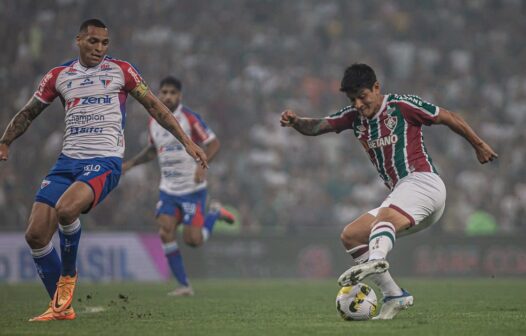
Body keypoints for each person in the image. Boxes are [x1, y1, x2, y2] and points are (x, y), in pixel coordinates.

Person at [0, 19, 207, 321]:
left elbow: (155, 107)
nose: (99, 48)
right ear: (79, 40)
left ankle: (68, 278)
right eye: (93, 41)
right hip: (66, 163)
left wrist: (187, 141)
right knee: (34, 235)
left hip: (105, 160)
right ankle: (61, 307)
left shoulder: (121, 71)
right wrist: (5, 141)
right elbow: (29, 112)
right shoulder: (59, 76)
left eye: (104, 43)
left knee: (66, 210)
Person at [280, 63, 497, 320]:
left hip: (424, 182)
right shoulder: (353, 117)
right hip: (406, 199)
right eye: (353, 99)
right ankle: (394, 294)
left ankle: (377, 257)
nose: (359, 104)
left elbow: (448, 116)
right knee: (351, 236)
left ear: (376, 88)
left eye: (362, 96)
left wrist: (479, 145)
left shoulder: (401, 106)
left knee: (382, 220)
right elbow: (318, 126)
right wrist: (296, 123)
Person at [123, 76, 235, 296]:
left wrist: (202, 166)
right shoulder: (153, 121)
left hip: (192, 190)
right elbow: (153, 150)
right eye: (163, 92)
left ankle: (213, 214)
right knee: (165, 232)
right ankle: (184, 285)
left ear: (179, 96)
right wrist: (131, 163)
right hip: (168, 189)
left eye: (172, 93)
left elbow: (214, 143)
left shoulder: (189, 118)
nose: (167, 96)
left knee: (193, 240)